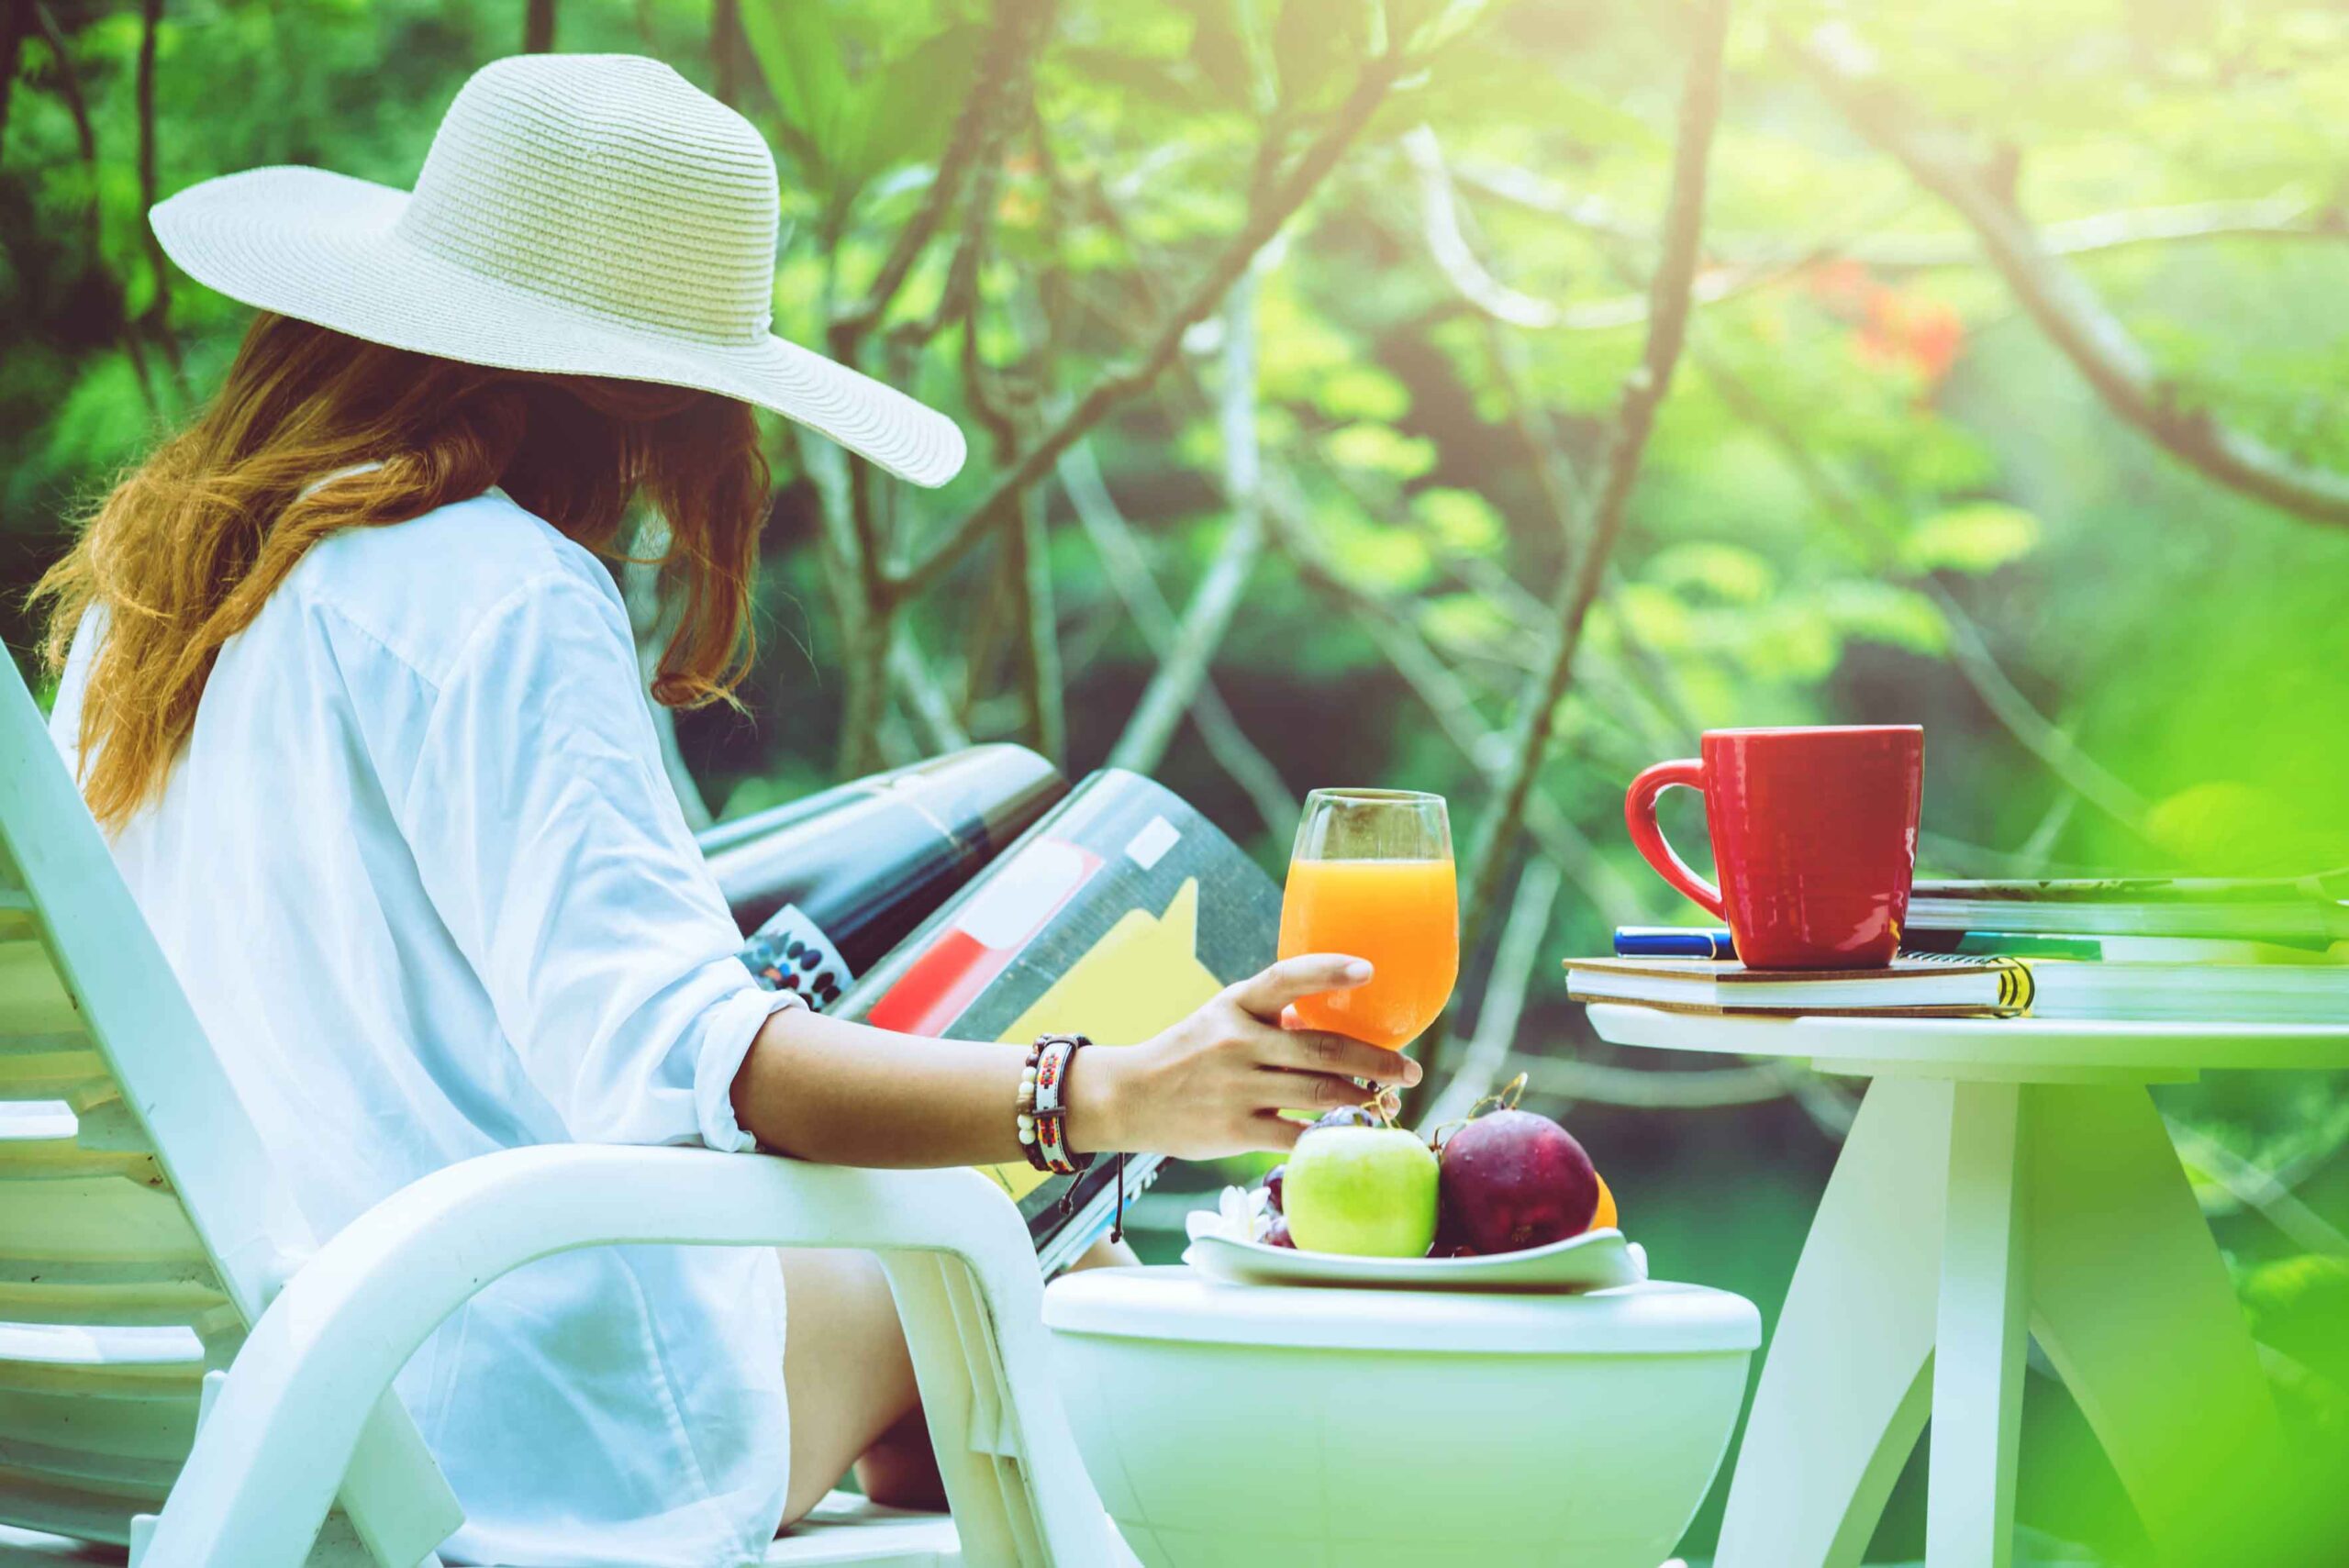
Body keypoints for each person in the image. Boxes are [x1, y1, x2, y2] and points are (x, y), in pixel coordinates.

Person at [34, 52, 1411, 1568]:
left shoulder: (155, 602)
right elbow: (682, 1058)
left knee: (976, 1288)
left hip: (239, 1405)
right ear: (658, 406)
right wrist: (1108, 1090)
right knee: (1018, 1233)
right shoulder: (499, 588)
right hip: (503, 1420)